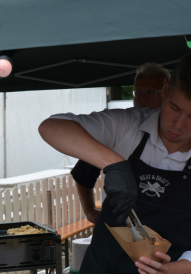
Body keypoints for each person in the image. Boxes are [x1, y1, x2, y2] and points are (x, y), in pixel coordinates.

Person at [38, 50, 191, 274]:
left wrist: (169, 271)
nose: (178, 125)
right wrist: (114, 164)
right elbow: (52, 127)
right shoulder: (126, 125)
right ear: (165, 89)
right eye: (174, 108)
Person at [73, 62, 171, 224]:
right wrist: (90, 211)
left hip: (165, 226)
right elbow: (83, 173)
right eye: (138, 92)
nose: (142, 98)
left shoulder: (179, 132)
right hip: (119, 227)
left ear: (167, 92)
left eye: (150, 92)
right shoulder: (117, 129)